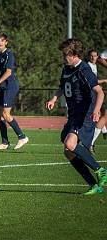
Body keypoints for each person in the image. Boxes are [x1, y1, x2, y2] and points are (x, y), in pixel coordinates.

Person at [46, 38, 107, 195]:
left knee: (70, 144)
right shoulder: (66, 68)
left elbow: (99, 92)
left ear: (73, 54)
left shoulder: (84, 69)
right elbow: (62, 87)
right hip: (74, 114)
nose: (63, 57)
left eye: (65, 54)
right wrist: (54, 98)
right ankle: (94, 185)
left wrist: (96, 110)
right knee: (68, 150)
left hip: (85, 113)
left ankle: (100, 170)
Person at [0, 32, 28, 150]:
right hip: (3, 87)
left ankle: (22, 137)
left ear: (6, 42)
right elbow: (1, 72)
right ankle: (5, 142)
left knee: (6, 114)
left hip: (10, 86)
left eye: (2, 40)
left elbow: (8, 72)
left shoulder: (9, 54)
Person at [87, 49, 107, 153]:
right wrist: (103, 80)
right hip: (91, 95)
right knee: (101, 115)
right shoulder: (88, 66)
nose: (93, 58)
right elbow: (92, 81)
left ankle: (104, 131)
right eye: (91, 56)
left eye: (94, 56)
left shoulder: (94, 65)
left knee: (102, 113)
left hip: (96, 93)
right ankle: (90, 143)